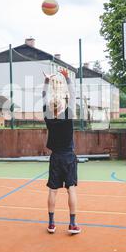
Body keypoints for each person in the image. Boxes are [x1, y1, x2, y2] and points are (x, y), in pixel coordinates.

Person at [42, 69, 81, 235]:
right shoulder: (69, 114)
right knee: (71, 189)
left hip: (56, 157)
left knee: (52, 190)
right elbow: (73, 94)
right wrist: (66, 78)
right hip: (68, 157)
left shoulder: (48, 117)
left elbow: (43, 97)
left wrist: (46, 82)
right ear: (63, 104)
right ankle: (72, 225)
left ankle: (51, 224)